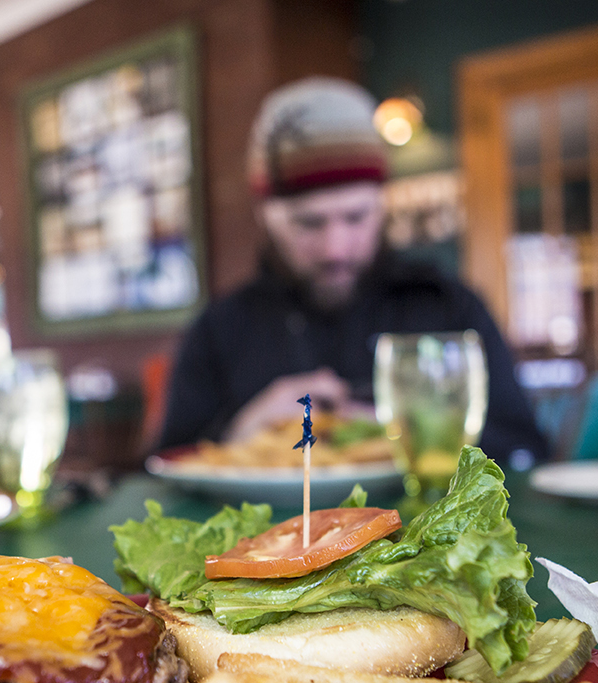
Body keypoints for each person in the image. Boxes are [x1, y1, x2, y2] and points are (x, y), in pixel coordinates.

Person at [159, 77, 548, 468]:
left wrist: (402, 428)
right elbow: (161, 466)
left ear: (382, 203)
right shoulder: (219, 329)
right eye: (309, 223)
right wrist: (240, 431)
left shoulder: (449, 308)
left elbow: (524, 448)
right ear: (266, 215)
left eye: (356, 216)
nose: (335, 249)